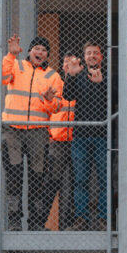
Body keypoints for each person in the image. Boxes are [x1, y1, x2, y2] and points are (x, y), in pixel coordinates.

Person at [0, 34, 62, 230]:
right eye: (37, 49)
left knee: (37, 178)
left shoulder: (53, 76)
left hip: (38, 131)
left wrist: (49, 100)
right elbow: (1, 78)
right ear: (30, 51)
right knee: (14, 176)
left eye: (43, 50)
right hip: (12, 129)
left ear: (47, 54)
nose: (40, 52)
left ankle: (35, 223)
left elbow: (57, 107)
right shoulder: (16, 65)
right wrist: (10, 55)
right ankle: (14, 221)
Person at [62, 40, 109, 230]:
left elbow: (116, 97)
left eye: (95, 53)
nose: (92, 56)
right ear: (84, 57)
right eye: (88, 53)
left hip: (102, 135)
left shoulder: (109, 76)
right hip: (80, 135)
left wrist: (102, 83)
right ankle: (80, 219)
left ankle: (103, 219)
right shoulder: (78, 75)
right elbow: (68, 96)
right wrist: (71, 76)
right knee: (80, 179)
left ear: (101, 56)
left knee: (104, 179)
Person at [42, 50, 79, 230]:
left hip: (75, 141)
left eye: (71, 63)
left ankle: (67, 225)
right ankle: (39, 221)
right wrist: (48, 135)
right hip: (56, 142)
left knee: (72, 184)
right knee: (51, 182)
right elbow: (45, 110)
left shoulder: (81, 84)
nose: (67, 66)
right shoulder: (55, 85)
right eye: (65, 63)